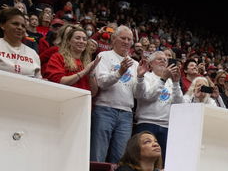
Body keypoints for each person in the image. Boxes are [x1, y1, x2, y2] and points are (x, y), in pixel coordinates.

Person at [91, 25, 137, 163]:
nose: (126, 42)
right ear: (113, 39)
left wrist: (140, 79)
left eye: (129, 39)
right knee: (98, 154)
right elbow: (101, 83)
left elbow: (136, 93)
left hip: (126, 113)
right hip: (104, 110)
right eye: (123, 38)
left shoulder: (135, 64)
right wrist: (119, 72)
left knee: (120, 157)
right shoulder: (103, 56)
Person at [134, 51, 183, 160]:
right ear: (151, 64)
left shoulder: (171, 81)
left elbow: (179, 105)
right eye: (159, 59)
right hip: (147, 123)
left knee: (163, 161)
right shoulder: (145, 77)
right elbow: (147, 96)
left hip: (166, 126)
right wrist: (162, 80)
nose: (163, 61)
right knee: (143, 159)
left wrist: (176, 83)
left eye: (165, 60)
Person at [43, 26, 99, 94]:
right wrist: (84, 72)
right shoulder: (58, 57)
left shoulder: (87, 63)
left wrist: (91, 74)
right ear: (69, 41)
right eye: (77, 38)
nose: (81, 41)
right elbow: (58, 82)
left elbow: (93, 93)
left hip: (82, 101)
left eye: (84, 39)